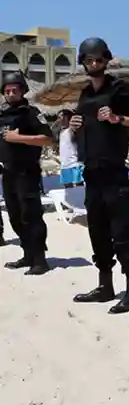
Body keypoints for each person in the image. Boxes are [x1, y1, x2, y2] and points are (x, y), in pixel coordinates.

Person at [69, 37, 129, 314]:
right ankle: (105, 286)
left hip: (115, 174)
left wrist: (119, 118)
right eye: (89, 60)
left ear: (107, 60)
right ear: (83, 63)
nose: (94, 64)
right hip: (91, 174)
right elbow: (81, 134)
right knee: (97, 232)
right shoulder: (84, 95)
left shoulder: (120, 90)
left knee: (124, 233)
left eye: (99, 59)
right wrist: (74, 126)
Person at [0, 71, 53, 274]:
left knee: (31, 215)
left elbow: (47, 139)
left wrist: (19, 138)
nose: (10, 94)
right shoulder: (2, 115)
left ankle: (40, 260)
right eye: (7, 91)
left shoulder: (31, 113)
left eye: (14, 90)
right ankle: (27, 254)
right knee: (15, 216)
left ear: (22, 91)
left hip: (27, 172)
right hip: (8, 172)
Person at [57, 109, 84, 187]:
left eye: (60, 117)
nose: (58, 120)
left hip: (74, 163)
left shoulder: (72, 130)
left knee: (79, 185)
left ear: (66, 117)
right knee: (67, 186)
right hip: (64, 164)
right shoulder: (61, 132)